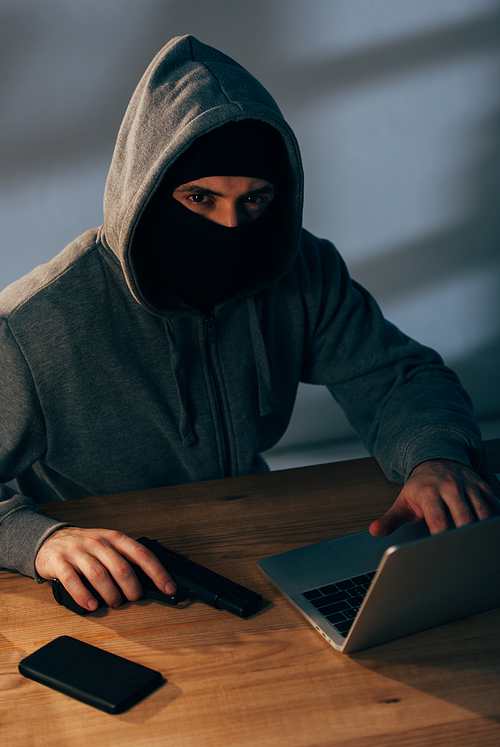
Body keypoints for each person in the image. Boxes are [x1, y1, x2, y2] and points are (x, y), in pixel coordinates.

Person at [0, 35, 497, 613]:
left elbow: (397, 377)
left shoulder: (300, 270)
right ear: (148, 193)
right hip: (107, 582)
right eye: (201, 198)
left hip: (243, 541)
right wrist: (40, 541)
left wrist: (435, 456)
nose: (232, 228)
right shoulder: (34, 327)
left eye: (256, 200)